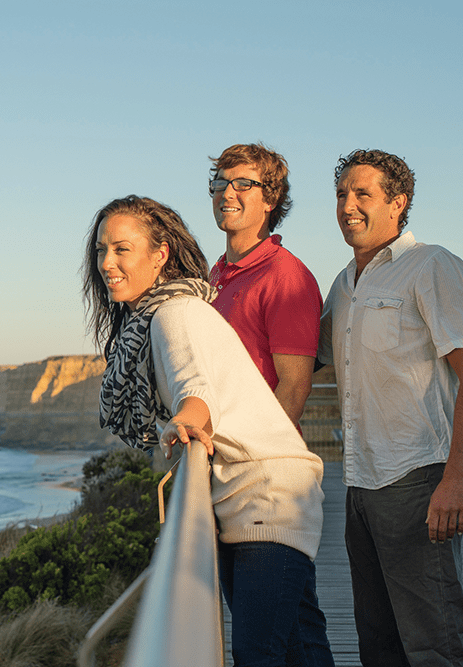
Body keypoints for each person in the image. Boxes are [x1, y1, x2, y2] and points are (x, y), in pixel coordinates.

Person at [84, 195, 333, 667]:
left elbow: (194, 386)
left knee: (259, 655)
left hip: (265, 498)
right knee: (302, 650)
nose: (107, 263)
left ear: (160, 255)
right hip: (252, 495)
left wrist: (187, 422)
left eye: (121, 249)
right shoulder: (159, 315)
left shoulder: (174, 313)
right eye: (101, 250)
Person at [318, 149, 463, 667]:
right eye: (341, 194)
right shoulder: (344, 284)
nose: (348, 205)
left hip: (417, 479)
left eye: (362, 193)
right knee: (380, 644)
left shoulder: (432, 266)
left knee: (436, 642)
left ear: (399, 202)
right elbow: (302, 359)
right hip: (359, 486)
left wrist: (455, 479)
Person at [208, 143, 322, 429]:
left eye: (243, 184)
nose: (228, 193)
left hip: (258, 463)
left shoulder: (285, 276)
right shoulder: (218, 272)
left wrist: (248, 454)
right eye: (221, 182)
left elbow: (294, 388)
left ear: (270, 199)